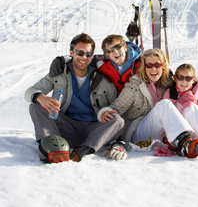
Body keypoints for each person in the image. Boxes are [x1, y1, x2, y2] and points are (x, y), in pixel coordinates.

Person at [25, 33, 125, 163]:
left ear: (92, 56)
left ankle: (84, 150)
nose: (84, 57)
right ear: (71, 53)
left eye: (88, 54)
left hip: (93, 130)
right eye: (80, 53)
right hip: (66, 127)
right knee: (36, 106)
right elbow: (30, 92)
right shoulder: (58, 73)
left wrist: (106, 112)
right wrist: (40, 97)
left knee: (117, 120)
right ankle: (52, 145)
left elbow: (116, 108)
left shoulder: (103, 79)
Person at [98, 48, 198, 159]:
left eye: (157, 64)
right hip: (139, 133)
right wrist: (104, 113)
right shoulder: (135, 86)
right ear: (144, 67)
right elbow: (116, 108)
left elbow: (188, 89)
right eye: (149, 65)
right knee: (164, 104)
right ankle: (185, 143)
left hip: (163, 133)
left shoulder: (170, 83)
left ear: (163, 66)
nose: (153, 69)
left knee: (190, 107)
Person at [49, 34, 141, 93]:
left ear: (125, 47)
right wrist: (61, 60)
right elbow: (83, 58)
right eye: (110, 50)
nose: (116, 52)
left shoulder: (141, 62)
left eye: (118, 47)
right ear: (107, 55)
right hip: (116, 102)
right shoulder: (101, 63)